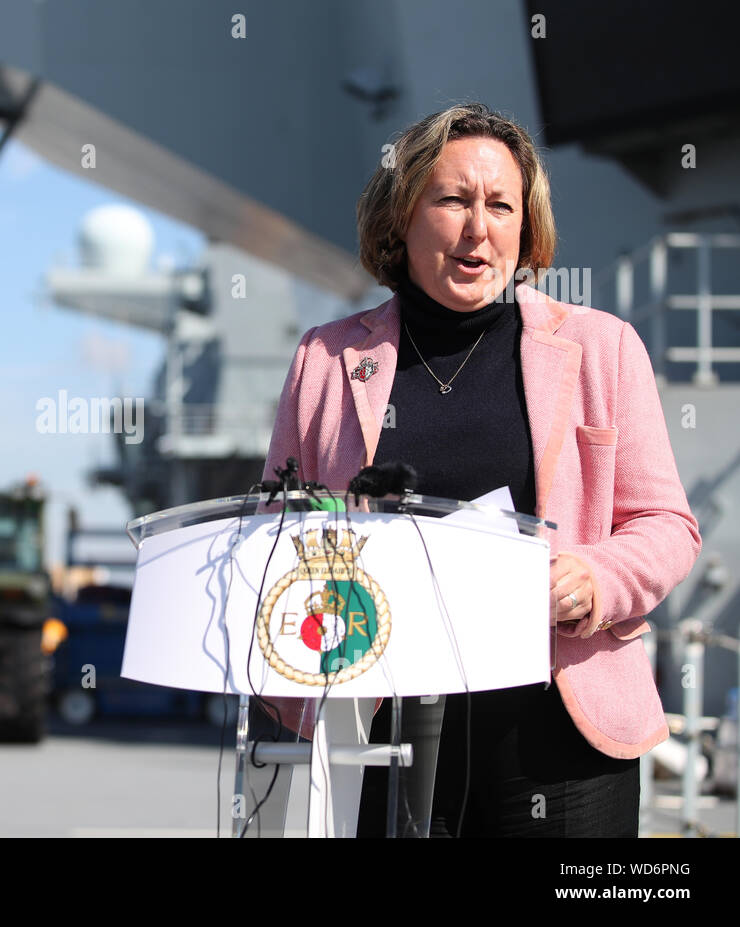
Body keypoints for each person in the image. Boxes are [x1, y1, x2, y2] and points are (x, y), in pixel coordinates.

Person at [261, 103, 700, 836]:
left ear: (526, 228)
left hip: (558, 737)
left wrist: (593, 577)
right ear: (401, 215)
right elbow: (276, 524)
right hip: (377, 728)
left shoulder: (603, 347)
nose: (478, 228)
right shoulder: (324, 358)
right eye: (453, 200)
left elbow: (666, 526)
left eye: (501, 205)